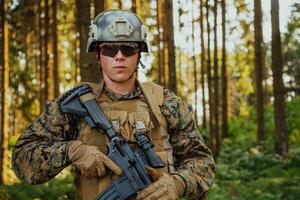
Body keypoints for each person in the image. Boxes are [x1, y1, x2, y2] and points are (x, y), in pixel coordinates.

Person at [12, 10, 215, 200]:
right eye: (109, 49)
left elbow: (202, 162)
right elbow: (22, 159)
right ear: (98, 55)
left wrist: (179, 183)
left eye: (128, 48)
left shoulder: (167, 103)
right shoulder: (75, 104)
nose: (119, 56)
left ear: (139, 54)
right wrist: (71, 151)